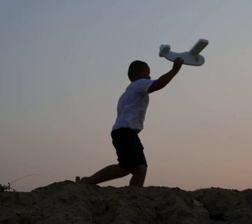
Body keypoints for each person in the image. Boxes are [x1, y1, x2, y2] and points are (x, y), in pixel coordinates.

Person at [76, 57, 184, 187]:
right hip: (125, 132)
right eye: (147, 73)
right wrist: (175, 70)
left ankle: (134, 195)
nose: (149, 77)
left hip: (128, 133)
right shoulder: (138, 84)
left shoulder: (129, 92)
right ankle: (88, 181)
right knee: (126, 167)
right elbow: (158, 84)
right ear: (138, 74)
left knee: (140, 168)